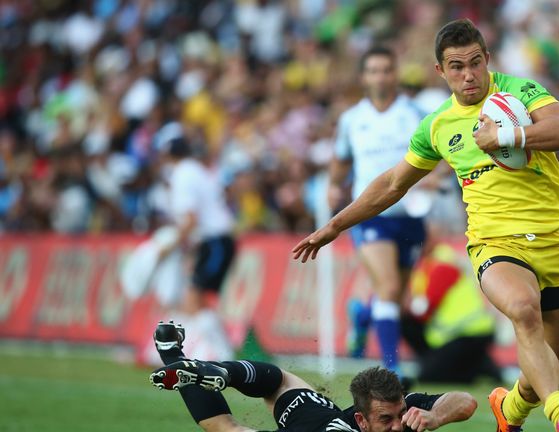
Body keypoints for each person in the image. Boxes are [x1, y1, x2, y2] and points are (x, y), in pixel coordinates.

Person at [294, 18, 559, 432]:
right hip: (494, 243)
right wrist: (335, 225)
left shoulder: (520, 92)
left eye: (474, 63)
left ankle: (509, 412)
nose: (467, 74)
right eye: (456, 66)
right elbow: (393, 183)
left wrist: (509, 137)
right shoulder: (436, 125)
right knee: (524, 312)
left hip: (554, 240)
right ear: (440, 70)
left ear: (487, 59)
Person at [150, 321, 477, 432]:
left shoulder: (407, 413)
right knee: (223, 427)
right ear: (362, 421)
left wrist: (434, 416)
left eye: (399, 414)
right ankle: (177, 358)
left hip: (317, 408)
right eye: (385, 420)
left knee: (282, 380)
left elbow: (467, 402)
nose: (397, 425)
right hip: (304, 424)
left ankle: (216, 370)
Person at [328, 46, 427, 377]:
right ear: (363, 77)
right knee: (387, 286)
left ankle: (363, 316)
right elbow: (341, 160)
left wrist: (435, 179)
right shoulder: (352, 120)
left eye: (386, 69)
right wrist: (332, 187)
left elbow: (436, 156)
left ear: (395, 73)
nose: (381, 76)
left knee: (395, 297)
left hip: (410, 214)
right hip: (371, 214)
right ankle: (391, 369)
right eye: (374, 70)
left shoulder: (415, 113)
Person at [154, 129, 237, 362]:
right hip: (217, 239)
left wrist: (168, 246)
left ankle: (223, 355)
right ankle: (220, 353)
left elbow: (190, 219)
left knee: (193, 297)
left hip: (214, 240)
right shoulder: (196, 170)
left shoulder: (181, 175)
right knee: (196, 298)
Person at [400, 240, 502, 384]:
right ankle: (476, 364)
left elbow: (427, 306)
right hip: (471, 331)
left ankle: (474, 368)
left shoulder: (442, 264)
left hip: (466, 333)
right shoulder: (430, 264)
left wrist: (409, 306)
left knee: (428, 375)